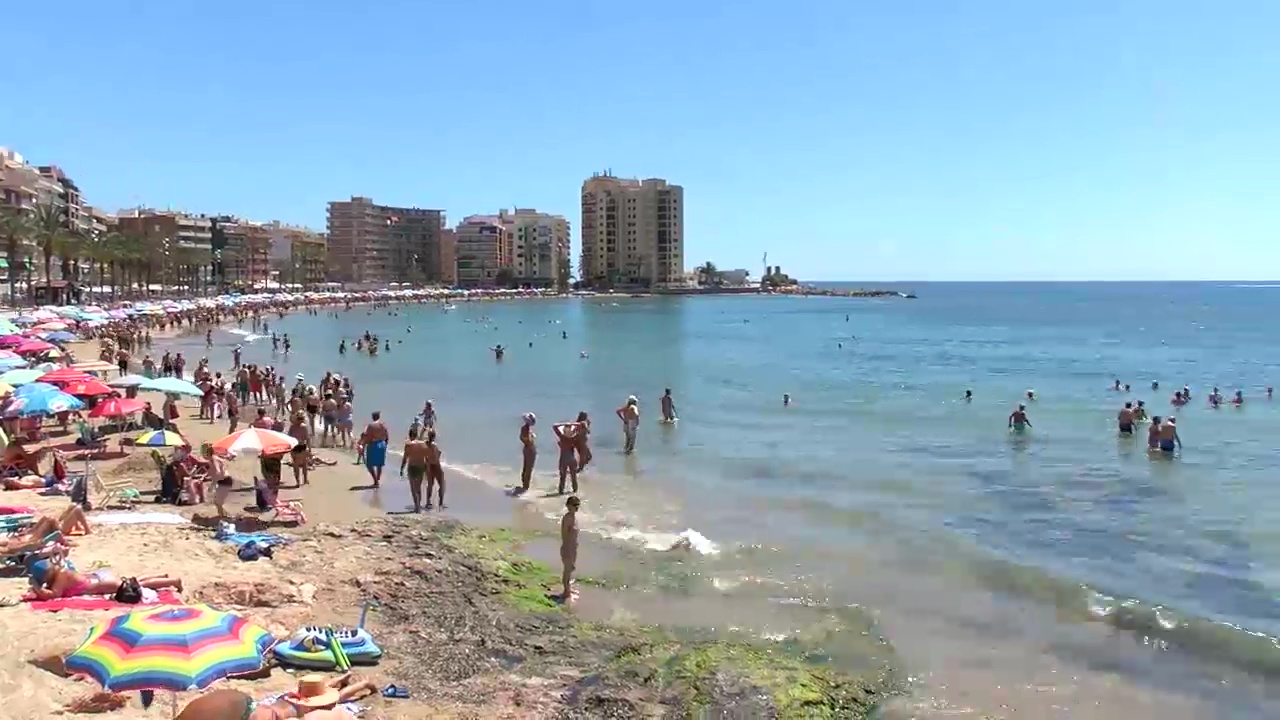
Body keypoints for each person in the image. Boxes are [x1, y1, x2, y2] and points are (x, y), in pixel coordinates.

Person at [174, 673, 375, 720]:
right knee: (332, 693)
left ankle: (362, 683)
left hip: (284, 703)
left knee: (337, 696)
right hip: (283, 702)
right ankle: (348, 678)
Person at [25, 561, 182, 600]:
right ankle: (162, 576)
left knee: (139, 585)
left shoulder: (60, 575)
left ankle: (174, 581)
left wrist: (37, 588)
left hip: (100, 583)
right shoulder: (62, 571)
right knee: (135, 580)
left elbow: (54, 595)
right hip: (99, 577)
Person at [400, 427, 428, 512]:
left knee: (413, 488)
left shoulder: (409, 445)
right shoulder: (423, 444)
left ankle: (416, 506)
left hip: (412, 466)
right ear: (416, 435)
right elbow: (427, 457)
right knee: (418, 487)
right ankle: (418, 506)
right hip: (421, 466)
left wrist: (402, 468)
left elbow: (405, 458)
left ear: (410, 435)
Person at [560, 495, 580, 603]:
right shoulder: (567, 518)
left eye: (578, 506)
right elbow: (564, 534)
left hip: (573, 548)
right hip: (568, 548)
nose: (576, 507)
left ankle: (568, 589)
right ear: (568, 506)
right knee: (567, 571)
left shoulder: (574, 517)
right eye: (574, 505)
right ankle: (566, 592)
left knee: (571, 569)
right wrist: (566, 549)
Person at [203, 443, 232, 518]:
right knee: (218, 502)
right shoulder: (213, 458)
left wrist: (213, 484)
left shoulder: (213, 459)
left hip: (224, 481)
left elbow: (217, 472)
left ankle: (224, 517)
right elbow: (211, 471)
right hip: (224, 481)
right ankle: (225, 516)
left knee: (218, 502)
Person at [360, 411, 389, 487]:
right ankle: (378, 479)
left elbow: (369, 437)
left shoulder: (371, 425)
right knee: (379, 464)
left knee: (369, 464)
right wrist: (385, 444)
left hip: (373, 444)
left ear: (373, 417)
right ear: (379, 417)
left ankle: (376, 481)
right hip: (382, 443)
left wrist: (364, 444)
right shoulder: (383, 425)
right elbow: (387, 436)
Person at [552, 420, 581, 495]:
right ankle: (575, 491)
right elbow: (580, 425)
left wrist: (564, 424)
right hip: (572, 458)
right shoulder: (574, 437)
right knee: (573, 476)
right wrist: (572, 424)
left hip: (564, 458)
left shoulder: (562, 437)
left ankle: (561, 492)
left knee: (563, 477)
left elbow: (554, 426)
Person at [287, 413, 310, 487]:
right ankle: (298, 481)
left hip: (301, 446)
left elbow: (307, 438)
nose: (300, 420)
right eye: (299, 419)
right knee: (297, 465)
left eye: (301, 419)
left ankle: (305, 479)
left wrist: (309, 448)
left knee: (304, 464)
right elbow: (289, 438)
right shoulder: (293, 427)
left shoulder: (303, 427)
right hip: (295, 447)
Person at [424, 429, 444, 509]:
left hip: (429, 465)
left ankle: (428, 502)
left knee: (430, 484)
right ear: (434, 436)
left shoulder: (425, 444)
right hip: (435, 465)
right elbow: (439, 453)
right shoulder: (434, 445)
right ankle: (441, 502)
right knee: (441, 483)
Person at [518, 413, 536, 493]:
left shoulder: (525, 428)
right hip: (529, 449)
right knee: (528, 468)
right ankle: (525, 487)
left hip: (527, 448)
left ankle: (525, 485)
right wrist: (530, 440)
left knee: (526, 467)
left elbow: (522, 438)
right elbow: (525, 439)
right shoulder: (526, 429)